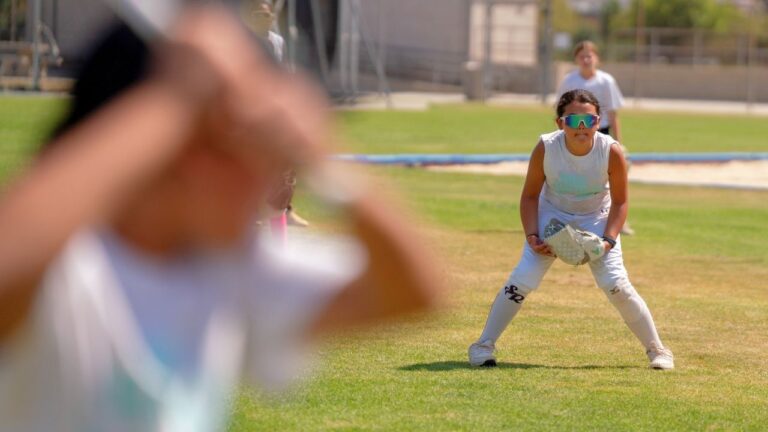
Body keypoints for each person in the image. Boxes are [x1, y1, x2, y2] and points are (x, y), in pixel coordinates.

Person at [0, 6, 437, 431]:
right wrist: (177, 99)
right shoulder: (76, 271)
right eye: (251, 147)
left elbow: (413, 291)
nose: (270, 179)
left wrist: (322, 164)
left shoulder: (225, 269)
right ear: (184, 149)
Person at [467, 89, 673, 370]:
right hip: (551, 215)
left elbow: (621, 201)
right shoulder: (546, 147)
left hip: (596, 217)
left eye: (589, 121)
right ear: (559, 123)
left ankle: (658, 350)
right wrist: (533, 236)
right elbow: (529, 197)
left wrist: (608, 241)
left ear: (598, 122)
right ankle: (482, 346)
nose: (582, 128)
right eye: (573, 120)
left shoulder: (610, 150)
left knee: (616, 285)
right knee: (522, 281)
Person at [241, 0, 310, 229]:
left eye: (268, 16)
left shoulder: (276, 41)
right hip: (246, 114)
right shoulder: (240, 40)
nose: (266, 20)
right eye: (260, 15)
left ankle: (284, 212)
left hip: (269, 111)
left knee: (282, 174)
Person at [557, 40, 634, 235]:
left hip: (602, 132)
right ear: (576, 59)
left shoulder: (606, 81)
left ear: (597, 58)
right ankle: (568, 217)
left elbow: (613, 113)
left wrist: (618, 142)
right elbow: (561, 112)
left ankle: (619, 220)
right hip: (575, 133)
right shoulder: (569, 80)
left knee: (611, 179)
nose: (586, 59)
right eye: (581, 56)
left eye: (589, 55)